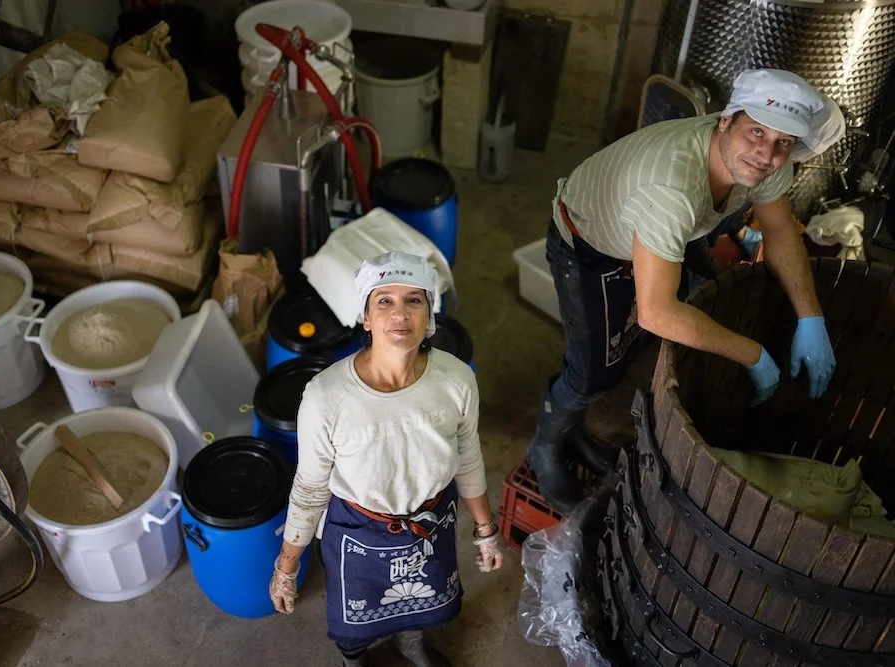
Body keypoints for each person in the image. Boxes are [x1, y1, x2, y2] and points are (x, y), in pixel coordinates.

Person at [528, 68, 841, 512]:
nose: (766, 153)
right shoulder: (670, 187)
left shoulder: (763, 158)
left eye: (783, 142)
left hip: (657, 228)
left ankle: (574, 429)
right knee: (594, 372)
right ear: (726, 120)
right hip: (588, 242)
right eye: (756, 131)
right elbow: (657, 312)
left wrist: (811, 317)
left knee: (632, 343)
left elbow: (780, 230)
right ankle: (545, 443)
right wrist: (753, 354)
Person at [268, 250, 505, 667]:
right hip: (359, 529)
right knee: (353, 625)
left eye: (414, 300)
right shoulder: (327, 397)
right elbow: (310, 488)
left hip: (430, 521)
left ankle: (411, 644)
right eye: (384, 301)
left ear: (429, 317)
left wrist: (486, 530)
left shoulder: (455, 380)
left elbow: (468, 457)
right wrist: (286, 567)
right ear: (366, 317)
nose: (400, 313)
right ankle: (353, 659)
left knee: (422, 603)